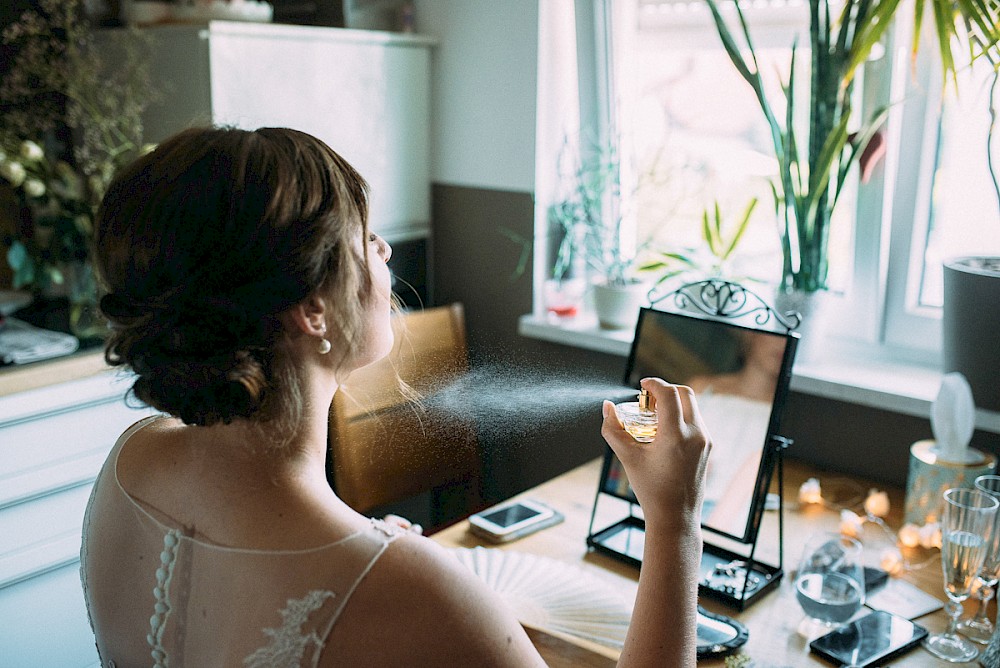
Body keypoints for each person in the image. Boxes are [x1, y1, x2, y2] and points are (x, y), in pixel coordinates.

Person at [80, 126, 711, 667]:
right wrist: (675, 517)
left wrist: (375, 563)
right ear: (312, 310)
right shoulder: (421, 593)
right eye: (363, 235)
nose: (383, 250)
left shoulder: (130, 462)